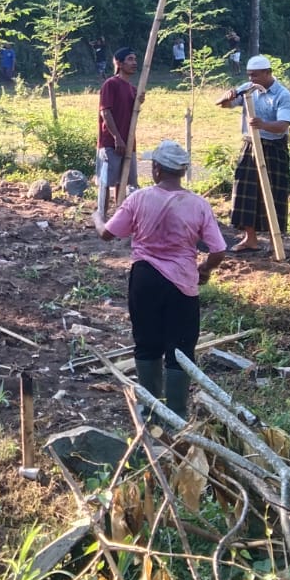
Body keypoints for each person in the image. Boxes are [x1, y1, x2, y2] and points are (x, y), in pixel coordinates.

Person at [95, 140, 227, 418]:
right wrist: (204, 270)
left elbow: (107, 233)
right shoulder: (198, 205)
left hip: (145, 278)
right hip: (182, 283)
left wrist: (97, 217)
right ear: (182, 171)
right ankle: (177, 415)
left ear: (156, 169)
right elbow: (218, 250)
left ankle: (150, 410)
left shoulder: (139, 199)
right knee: (181, 349)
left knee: (146, 342)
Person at [218, 54, 290, 254]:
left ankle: (274, 241)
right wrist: (228, 96)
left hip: (273, 148)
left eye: (255, 75)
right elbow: (224, 104)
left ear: (268, 73)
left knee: (273, 193)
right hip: (250, 145)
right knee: (245, 191)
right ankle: (250, 239)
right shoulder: (247, 88)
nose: (251, 79)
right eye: (249, 75)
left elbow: (283, 126)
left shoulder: (283, 95)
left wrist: (263, 124)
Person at [98, 47, 142, 207]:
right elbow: (105, 111)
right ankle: (102, 214)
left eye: (135, 59)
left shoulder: (133, 89)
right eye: (130, 59)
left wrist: (139, 101)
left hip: (129, 141)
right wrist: (117, 137)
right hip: (111, 142)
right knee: (106, 182)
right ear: (119, 63)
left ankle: (119, 213)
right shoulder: (111, 84)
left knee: (123, 181)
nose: (134, 63)